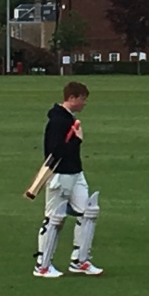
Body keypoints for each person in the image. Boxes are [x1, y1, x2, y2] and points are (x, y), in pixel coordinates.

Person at [32, 81, 104, 278]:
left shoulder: (69, 119)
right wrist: (77, 140)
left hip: (76, 173)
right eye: (82, 99)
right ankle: (43, 265)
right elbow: (55, 152)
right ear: (72, 99)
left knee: (88, 212)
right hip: (60, 175)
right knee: (55, 219)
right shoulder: (57, 121)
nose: (84, 103)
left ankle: (80, 260)